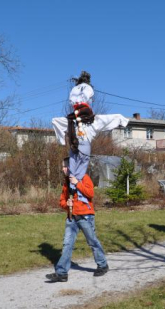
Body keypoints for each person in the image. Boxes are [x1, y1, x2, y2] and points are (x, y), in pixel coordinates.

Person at [52, 71, 129, 207]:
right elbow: (56, 122)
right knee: (74, 171)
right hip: (76, 147)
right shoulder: (77, 120)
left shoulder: (84, 121)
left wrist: (121, 120)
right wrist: (62, 140)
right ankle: (73, 194)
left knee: (77, 171)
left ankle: (77, 194)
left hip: (78, 147)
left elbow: (56, 121)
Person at [45, 158, 109, 282]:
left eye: (65, 166)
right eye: (63, 167)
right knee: (67, 244)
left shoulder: (83, 177)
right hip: (71, 218)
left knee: (92, 242)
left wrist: (77, 183)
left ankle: (102, 265)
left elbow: (90, 194)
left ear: (72, 167)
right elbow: (62, 201)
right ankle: (62, 273)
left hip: (85, 217)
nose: (63, 169)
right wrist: (66, 204)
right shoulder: (66, 183)